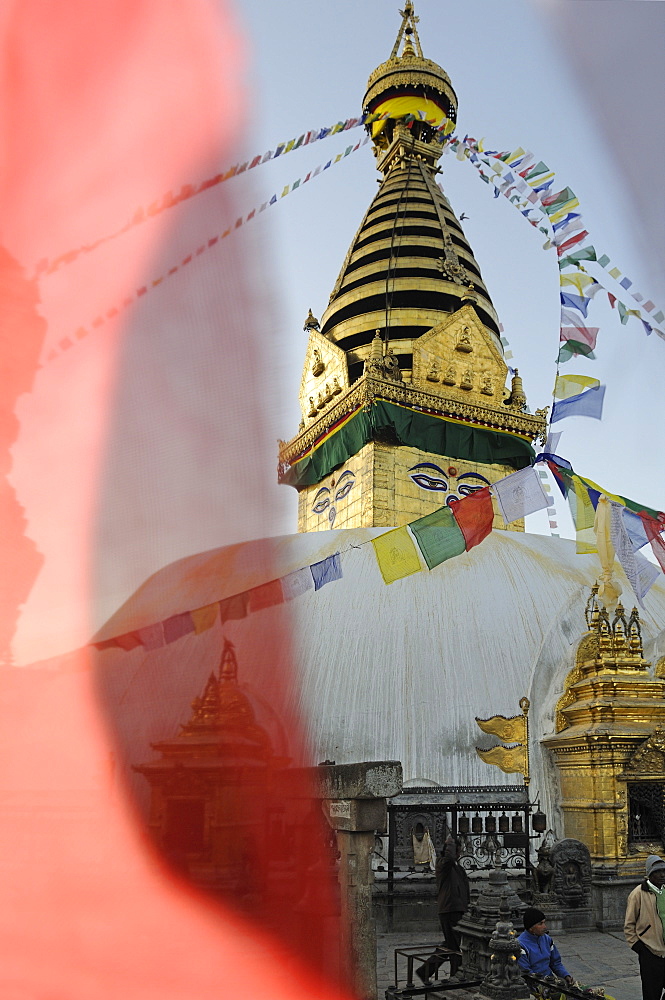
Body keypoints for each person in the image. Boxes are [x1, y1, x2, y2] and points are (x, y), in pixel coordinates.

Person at [416, 835, 470, 984]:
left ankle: (425, 971)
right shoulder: (442, 865)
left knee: (450, 944)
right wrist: (450, 844)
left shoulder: (458, 869)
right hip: (449, 909)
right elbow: (449, 859)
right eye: (457, 851)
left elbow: (465, 890)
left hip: (459, 909)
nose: (459, 854)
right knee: (455, 946)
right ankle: (455, 975)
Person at [624, 854, 665, 1000]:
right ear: (649, 874)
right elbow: (629, 925)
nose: (662, 875)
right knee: (651, 994)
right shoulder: (638, 894)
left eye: (663, 871)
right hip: (650, 953)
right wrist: (639, 947)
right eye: (657, 872)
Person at [517, 907, 574, 986]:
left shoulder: (547, 939)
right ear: (531, 928)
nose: (545, 927)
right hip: (533, 984)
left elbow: (556, 963)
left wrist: (565, 975)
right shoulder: (520, 945)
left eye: (544, 922)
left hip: (549, 980)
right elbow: (527, 973)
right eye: (540, 924)